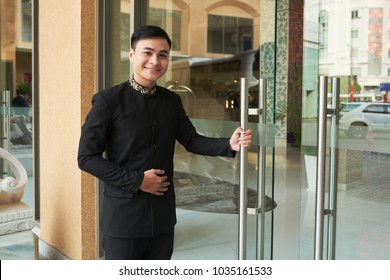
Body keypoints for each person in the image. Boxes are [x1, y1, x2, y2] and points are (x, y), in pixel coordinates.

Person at [77, 25, 252, 260]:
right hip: (124, 219)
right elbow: (86, 158)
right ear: (132, 56)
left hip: (162, 218)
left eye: (162, 54)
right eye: (147, 53)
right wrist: (138, 180)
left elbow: (191, 140)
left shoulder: (171, 101)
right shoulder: (108, 101)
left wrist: (228, 145)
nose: (155, 61)